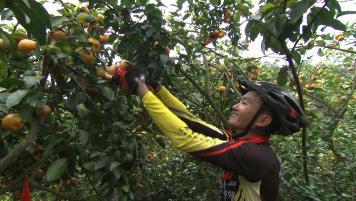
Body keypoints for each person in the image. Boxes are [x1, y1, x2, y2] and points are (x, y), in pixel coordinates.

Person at [111, 62, 307, 201]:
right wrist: (156, 88)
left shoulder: (256, 156)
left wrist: (142, 90)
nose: (235, 106)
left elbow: (185, 138)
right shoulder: (238, 142)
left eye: (244, 103)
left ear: (263, 120)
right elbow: (191, 120)